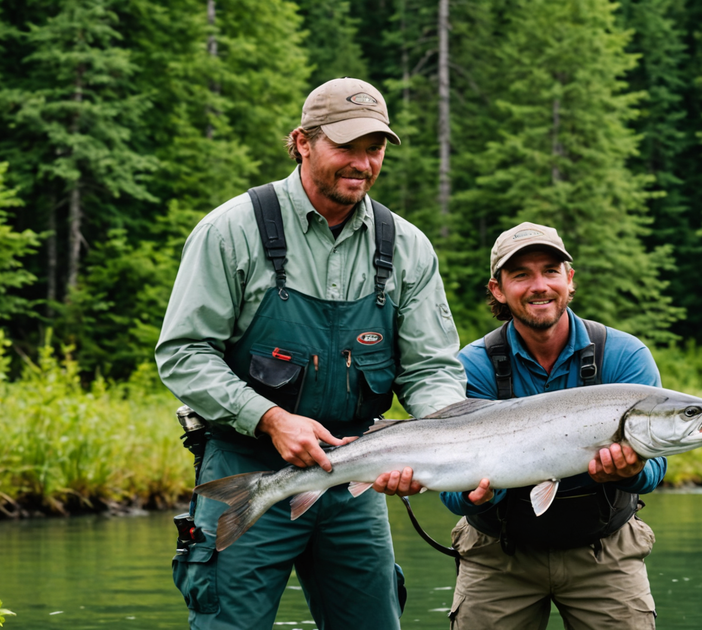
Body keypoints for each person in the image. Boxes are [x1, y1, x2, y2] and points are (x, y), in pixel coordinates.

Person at [156, 77, 466, 630]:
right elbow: (184, 353)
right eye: (346, 146)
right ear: (302, 142)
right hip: (245, 464)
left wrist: (434, 440)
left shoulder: (408, 247)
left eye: (374, 149)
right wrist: (270, 419)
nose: (363, 163)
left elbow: (431, 368)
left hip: (356, 473)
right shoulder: (231, 230)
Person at [440, 222, 666, 629]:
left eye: (550, 271)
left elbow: (656, 470)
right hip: (497, 552)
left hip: (604, 549)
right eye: (521, 274)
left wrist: (633, 471)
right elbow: (453, 499)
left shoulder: (624, 356)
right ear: (497, 289)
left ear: (569, 280)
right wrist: (478, 496)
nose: (539, 285)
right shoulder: (472, 366)